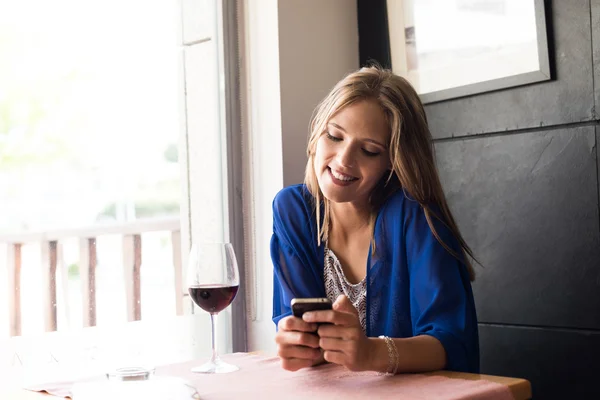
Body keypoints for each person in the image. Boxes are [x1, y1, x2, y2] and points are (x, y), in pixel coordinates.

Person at [270, 66, 479, 375]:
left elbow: (451, 344)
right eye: (334, 136)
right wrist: (298, 345)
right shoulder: (294, 210)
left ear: (393, 162)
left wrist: (370, 353)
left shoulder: (414, 215)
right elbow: (305, 337)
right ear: (317, 132)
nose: (343, 160)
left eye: (369, 151)